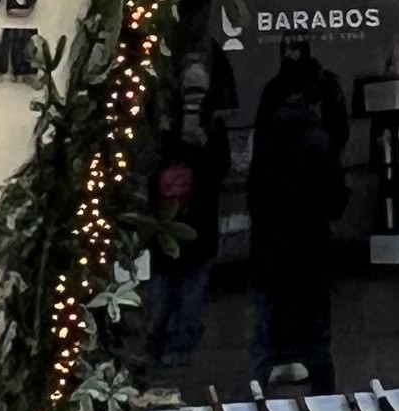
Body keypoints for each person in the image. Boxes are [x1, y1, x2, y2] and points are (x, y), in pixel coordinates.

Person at [244, 33, 349, 390]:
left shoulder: (270, 139)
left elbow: (254, 193)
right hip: (311, 247)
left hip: (271, 247)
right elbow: (336, 200)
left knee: (267, 339)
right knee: (317, 343)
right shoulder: (319, 140)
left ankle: (259, 410)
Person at [141, 43, 234, 382]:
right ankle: (158, 352)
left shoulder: (212, 126)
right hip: (173, 229)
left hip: (192, 228)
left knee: (184, 301)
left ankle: (174, 355)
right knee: (166, 300)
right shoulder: (166, 122)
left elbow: (219, 169)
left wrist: (202, 142)